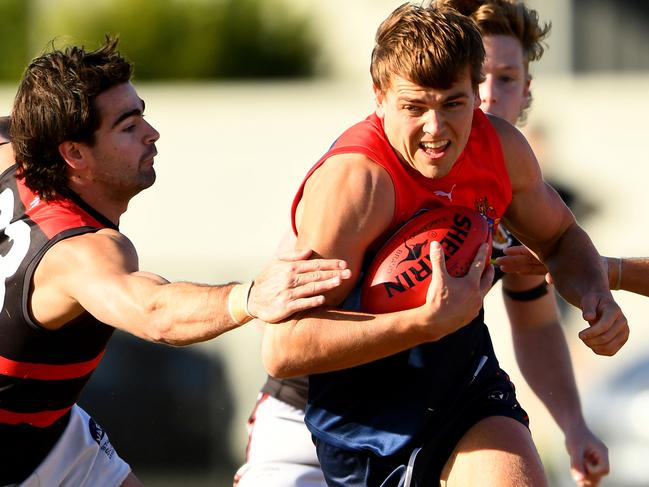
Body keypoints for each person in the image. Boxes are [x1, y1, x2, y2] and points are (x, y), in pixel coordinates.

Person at [234, 2, 609, 486]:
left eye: (457, 102)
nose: (436, 130)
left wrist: (595, 289)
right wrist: (422, 323)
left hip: (457, 390)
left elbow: (555, 254)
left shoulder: (501, 152)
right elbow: (284, 347)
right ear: (380, 97)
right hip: (330, 412)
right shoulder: (355, 183)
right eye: (415, 107)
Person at [0, 38, 352, 487]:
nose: (152, 133)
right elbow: (155, 311)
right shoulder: (82, 252)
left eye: (141, 113)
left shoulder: (15, 146)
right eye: (128, 127)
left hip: (46, 436)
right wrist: (249, 297)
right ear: (74, 154)